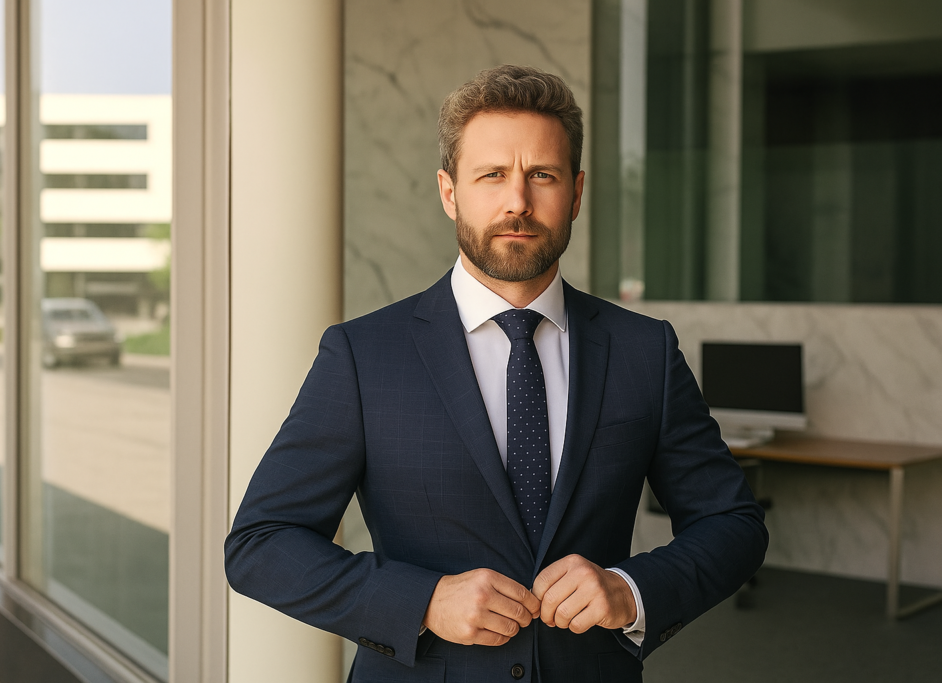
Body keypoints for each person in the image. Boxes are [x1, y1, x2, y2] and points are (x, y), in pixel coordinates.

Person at [225, 64, 768, 683]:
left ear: (577, 192)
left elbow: (733, 524)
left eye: (543, 175)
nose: (518, 201)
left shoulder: (644, 349)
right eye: (492, 176)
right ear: (450, 192)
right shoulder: (361, 354)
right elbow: (261, 544)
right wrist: (423, 601)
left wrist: (630, 589)